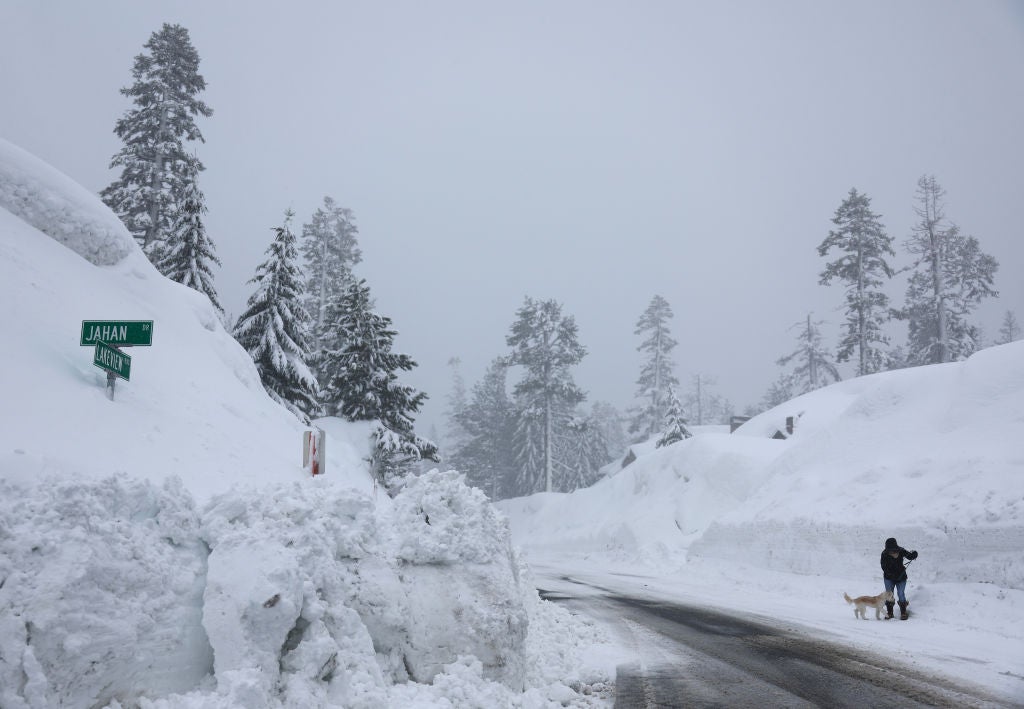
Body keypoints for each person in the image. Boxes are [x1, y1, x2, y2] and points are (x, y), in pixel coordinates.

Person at [880, 537, 918, 619]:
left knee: (901, 593)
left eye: (893, 550)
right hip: (889, 578)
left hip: (901, 577)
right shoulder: (884, 554)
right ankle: (890, 613)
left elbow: (910, 556)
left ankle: (903, 613)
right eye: (890, 550)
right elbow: (883, 567)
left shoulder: (901, 550)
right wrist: (891, 574)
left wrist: (914, 554)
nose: (892, 552)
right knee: (889, 594)